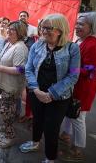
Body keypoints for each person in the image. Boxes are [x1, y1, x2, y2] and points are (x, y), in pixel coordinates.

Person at [19, 13, 80, 163]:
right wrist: (36, 90)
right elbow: (28, 69)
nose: (43, 31)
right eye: (42, 27)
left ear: (59, 30)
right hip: (37, 92)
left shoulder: (72, 49)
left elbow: (73, 75)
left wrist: (51, 94)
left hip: (59, 97)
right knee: (37, 120)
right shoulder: (37, 45)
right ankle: (35, 142)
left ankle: (50, 158)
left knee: (51, 128)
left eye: (48, 28)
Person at [60, 12, 96, 162]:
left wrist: (68, 69)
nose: (77, 26)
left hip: (84, 88)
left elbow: (91, 71)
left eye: (81, 24)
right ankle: (66, 135)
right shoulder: (81, 40)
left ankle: (78, 150)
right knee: (69, 111)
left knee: (78, 118)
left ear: (92, 27)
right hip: (74, 85)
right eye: (77, 23)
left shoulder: (94, 45)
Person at [0, 20, 28, 148]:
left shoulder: (20, 47)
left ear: (20, 32)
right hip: (5, 84)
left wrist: (0, 68)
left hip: (12, 86)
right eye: (9, 28)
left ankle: (10, 135)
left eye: (13, 29)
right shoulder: (9, 43)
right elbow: (3, 60)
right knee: (6, 110)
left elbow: (20, 69)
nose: (9, 30)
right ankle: (7, 129)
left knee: (6, 111)